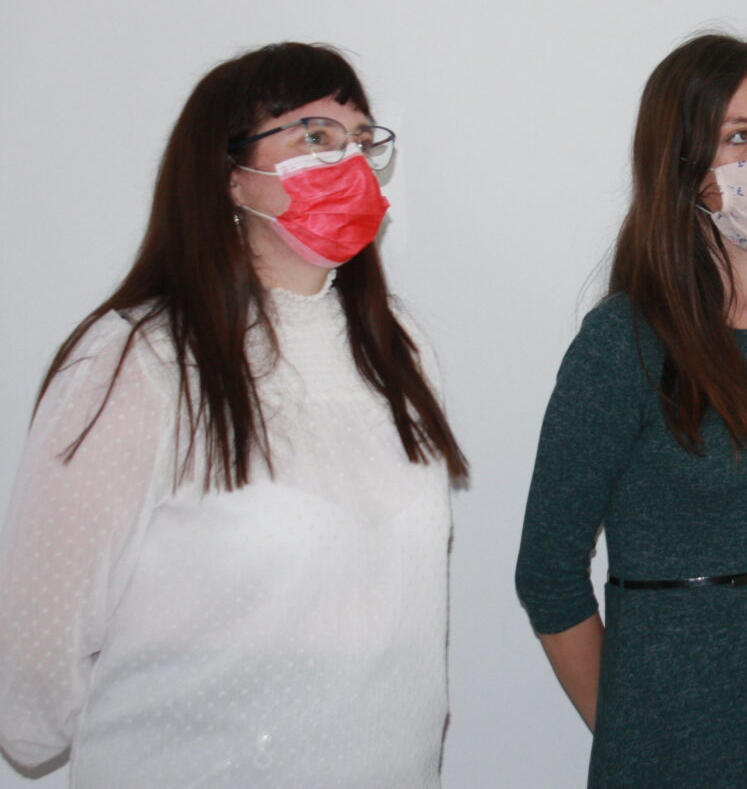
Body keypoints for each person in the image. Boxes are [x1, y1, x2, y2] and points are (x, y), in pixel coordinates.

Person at [0, 43, 467, 788]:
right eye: (314, 135)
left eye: (360, 140)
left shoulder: (398, 350)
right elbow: (32, 682)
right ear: (231, 177)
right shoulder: (138, 361)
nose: (348, 163)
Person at [515, 33, 747, 788]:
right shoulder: (622, 342)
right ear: (683, 165)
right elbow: (547, 574)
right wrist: (629, 729)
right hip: (673, 720)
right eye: (739, 136)